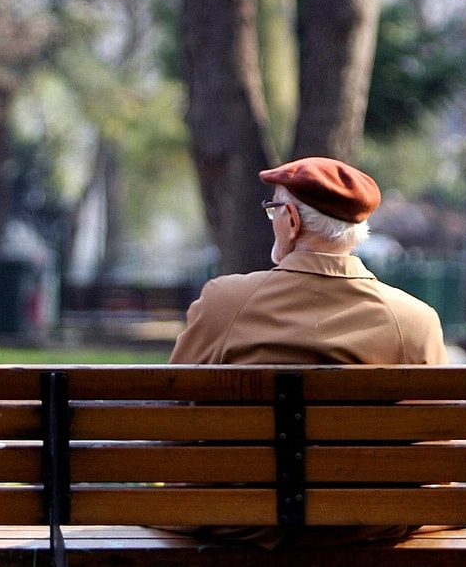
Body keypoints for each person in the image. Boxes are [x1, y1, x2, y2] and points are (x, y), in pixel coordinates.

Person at [168, 156, 448, 547]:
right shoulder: (414, 321)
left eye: (273, 210)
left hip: (241, 527)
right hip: (368, 529)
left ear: (292, 221)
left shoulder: (224, 303)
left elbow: (172, 425)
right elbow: (439, 462)